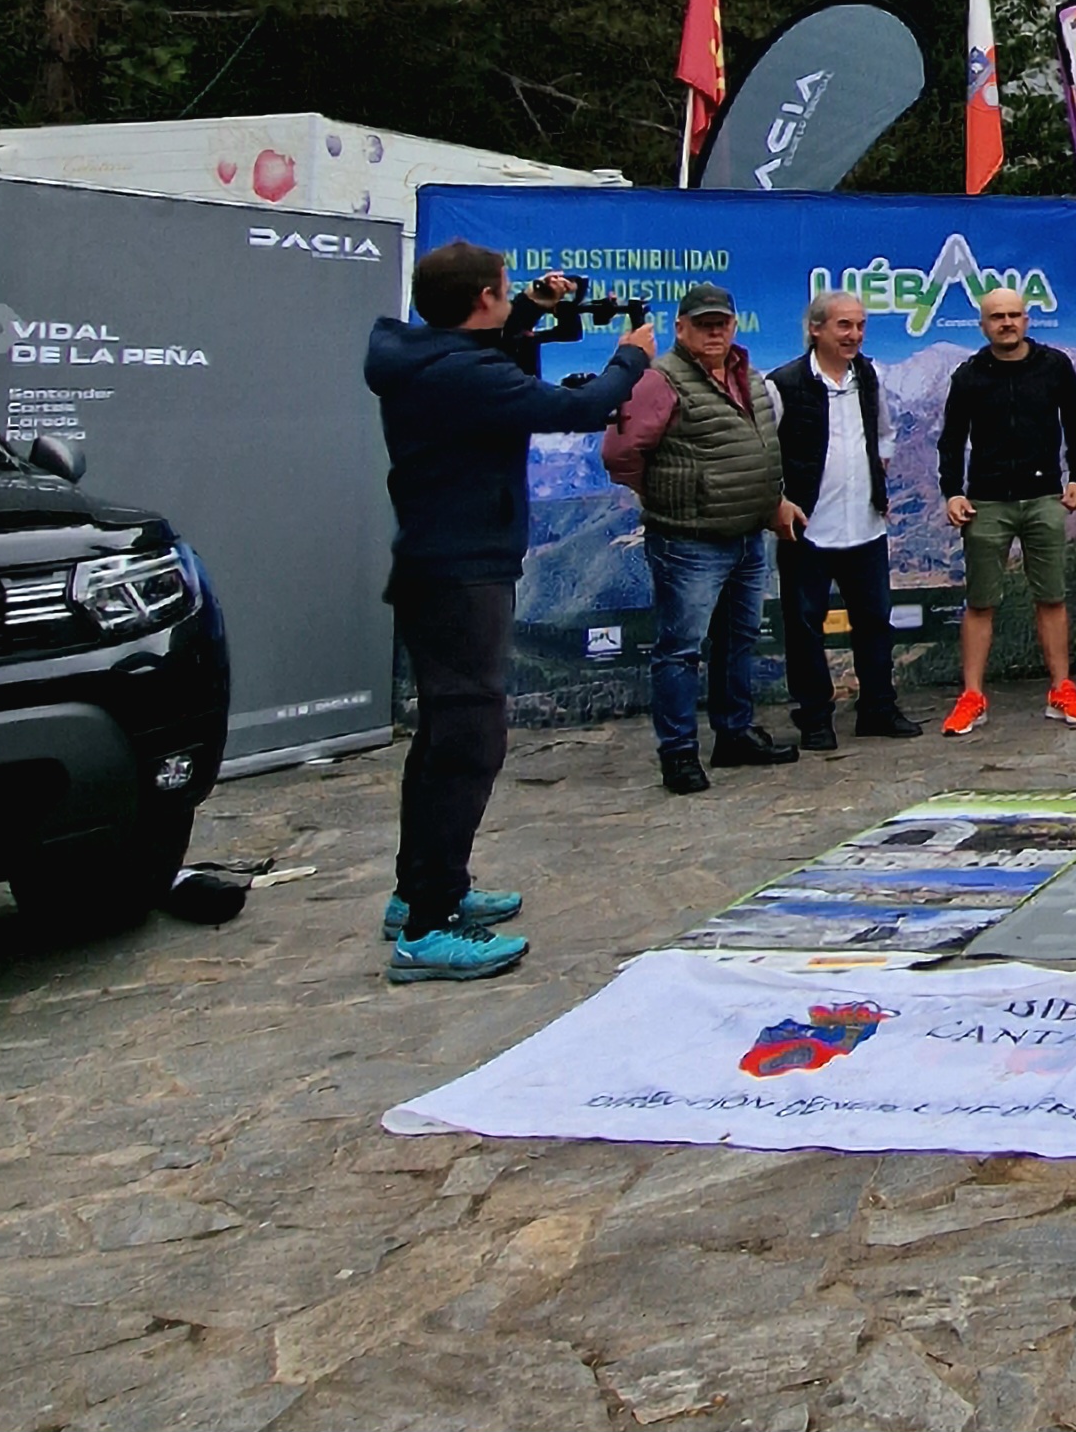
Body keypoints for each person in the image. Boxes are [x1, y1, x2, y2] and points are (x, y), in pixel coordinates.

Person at [364, 247, 652, 981]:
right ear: (483, 298)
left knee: (441, 737)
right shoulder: (463, 375)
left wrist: (529, 308)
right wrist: (629, 358)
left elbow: (492, 357)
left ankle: (424, 889)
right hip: (460, 574)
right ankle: (428, 929)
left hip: (444, 565)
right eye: (506, 297)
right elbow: (580, 410)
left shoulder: (429, 357)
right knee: (468, 740)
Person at [603, 284, 803, 794]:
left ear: (734, 326)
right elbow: (620, 454)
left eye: (723, 323)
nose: (715, 331)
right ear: (681, 328)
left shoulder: (748, 377)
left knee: (737, 642)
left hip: (746, 535)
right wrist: (668, 493)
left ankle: (733, 734)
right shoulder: (658, 380)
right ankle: (679, 753)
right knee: (680, 649)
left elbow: (760, 450)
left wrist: (773, 501)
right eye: (704, 323)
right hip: (688, 541)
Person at [938, 285, 1076, 736]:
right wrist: (952, 491)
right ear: (983, 325)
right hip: (986, 501)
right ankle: (972, 696)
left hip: (1044, 496)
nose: (1006, 322)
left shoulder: (1055, 367)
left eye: (1014, 315)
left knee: (1052, 596)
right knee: (981, 601)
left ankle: (1061, 688)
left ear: (1027, 320)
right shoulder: (968, 376)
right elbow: (951, 440)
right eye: (996, 317)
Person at [769, 291, 921, 754]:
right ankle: (815, 717)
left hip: (866, 526)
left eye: (859, 326)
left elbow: (885, 434)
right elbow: (765, 450)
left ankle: (877, 706)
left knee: (875, 621)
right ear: (816, 329)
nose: (854, 335)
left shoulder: (869, 376)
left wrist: (878, 475)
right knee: (805, 625)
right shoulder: (784, 384)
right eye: (844, 326)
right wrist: (777, 502)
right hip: (808, 529)